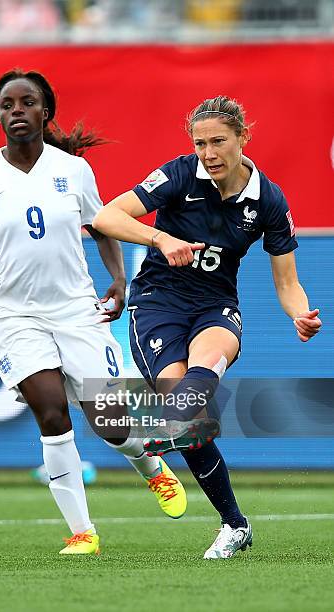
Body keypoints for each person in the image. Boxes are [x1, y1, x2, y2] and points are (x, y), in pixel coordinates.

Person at [0, 68, 186, 555]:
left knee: (112, 422)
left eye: (27, 102)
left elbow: (103, 227)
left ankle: (152, 468)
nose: (17, 110)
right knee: (52, 414)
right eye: (7, 104)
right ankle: (82, 532)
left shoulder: (72, 171)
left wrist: (118, 281)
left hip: (76, 310)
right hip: (14, 315)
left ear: (44, 112)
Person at [92, 95, 322, 559]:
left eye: (218, 141)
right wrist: (160, 236)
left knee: (196, 386)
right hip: (157, 303)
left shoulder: (270, 200)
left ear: (243, 138)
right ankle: (235, 525)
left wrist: (300, 312)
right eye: (200, 143)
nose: (208, 153)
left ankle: (174, 421)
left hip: (216, 305)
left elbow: (287, 282)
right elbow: (105, 216)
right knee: (189, 417)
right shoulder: (178, 174)